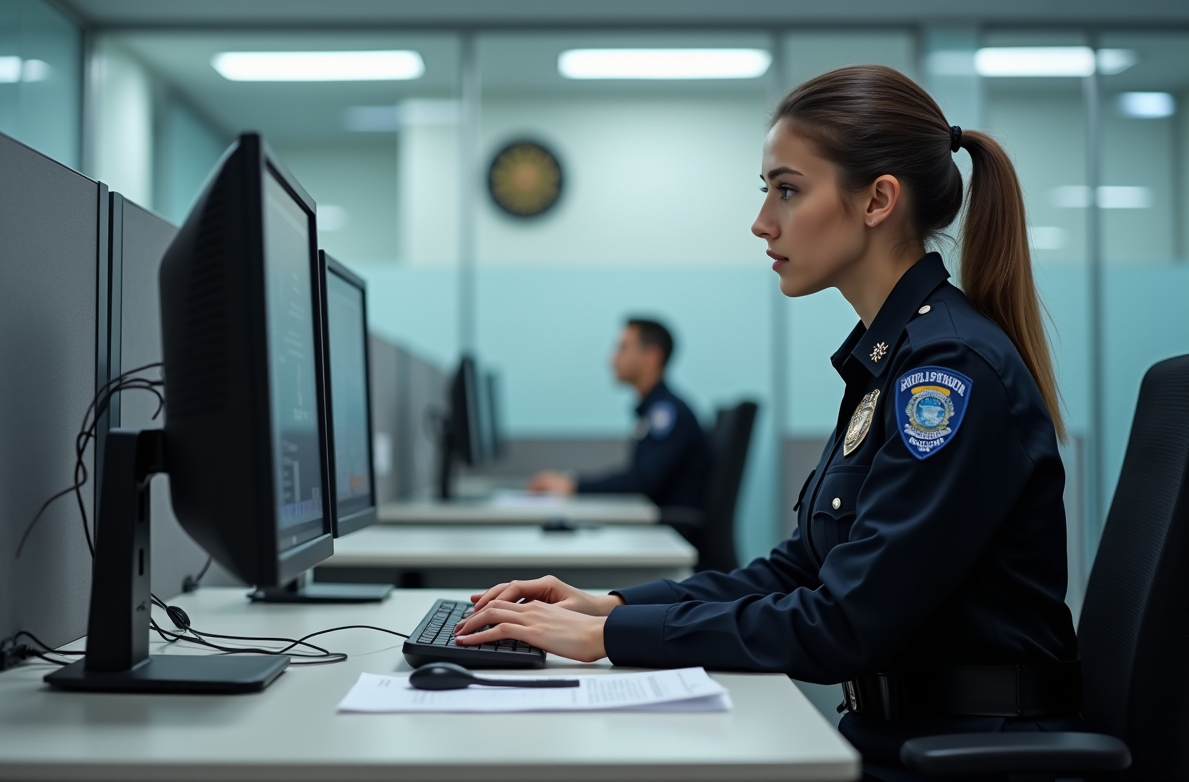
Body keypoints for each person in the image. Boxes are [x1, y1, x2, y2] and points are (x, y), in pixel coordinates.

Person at [455, 65, 1080, 782]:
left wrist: (607, 636)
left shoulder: (946, 372)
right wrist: (612, 602)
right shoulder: (893, 357)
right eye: (767, 192)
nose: (763, 221)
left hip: (963, 757)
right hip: (899, 736)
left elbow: (845, 624)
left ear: (878, 200)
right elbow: (798, 571)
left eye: (788, 190)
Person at [527, 317, 712, 511]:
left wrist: (573, 485)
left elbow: (642, 481)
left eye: (622, 348)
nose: (612, 358)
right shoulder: (654, 410)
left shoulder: (667, 413)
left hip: (671, 531)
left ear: (651, 357)